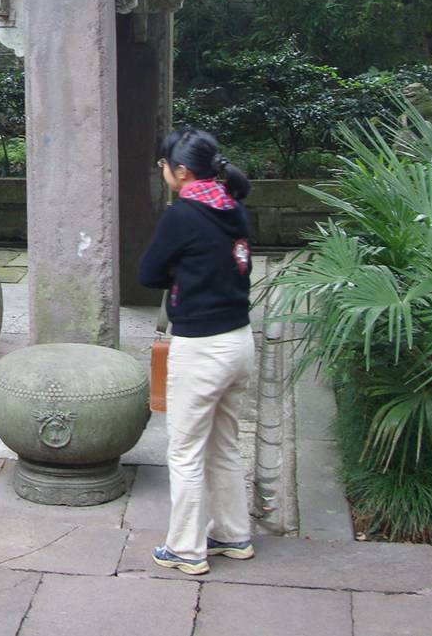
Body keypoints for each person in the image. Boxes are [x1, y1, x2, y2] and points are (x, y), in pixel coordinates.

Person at [139, 126, 255, 576]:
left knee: (184, 450)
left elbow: (148, 273)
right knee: (224, 444)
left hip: (202, 346)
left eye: (163, 164)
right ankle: (232, 534)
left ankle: (186, 548)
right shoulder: (234, 207)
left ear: (181, 171)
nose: (162, 171)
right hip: (240, 342)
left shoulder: (183, 214)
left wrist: (178, 272)